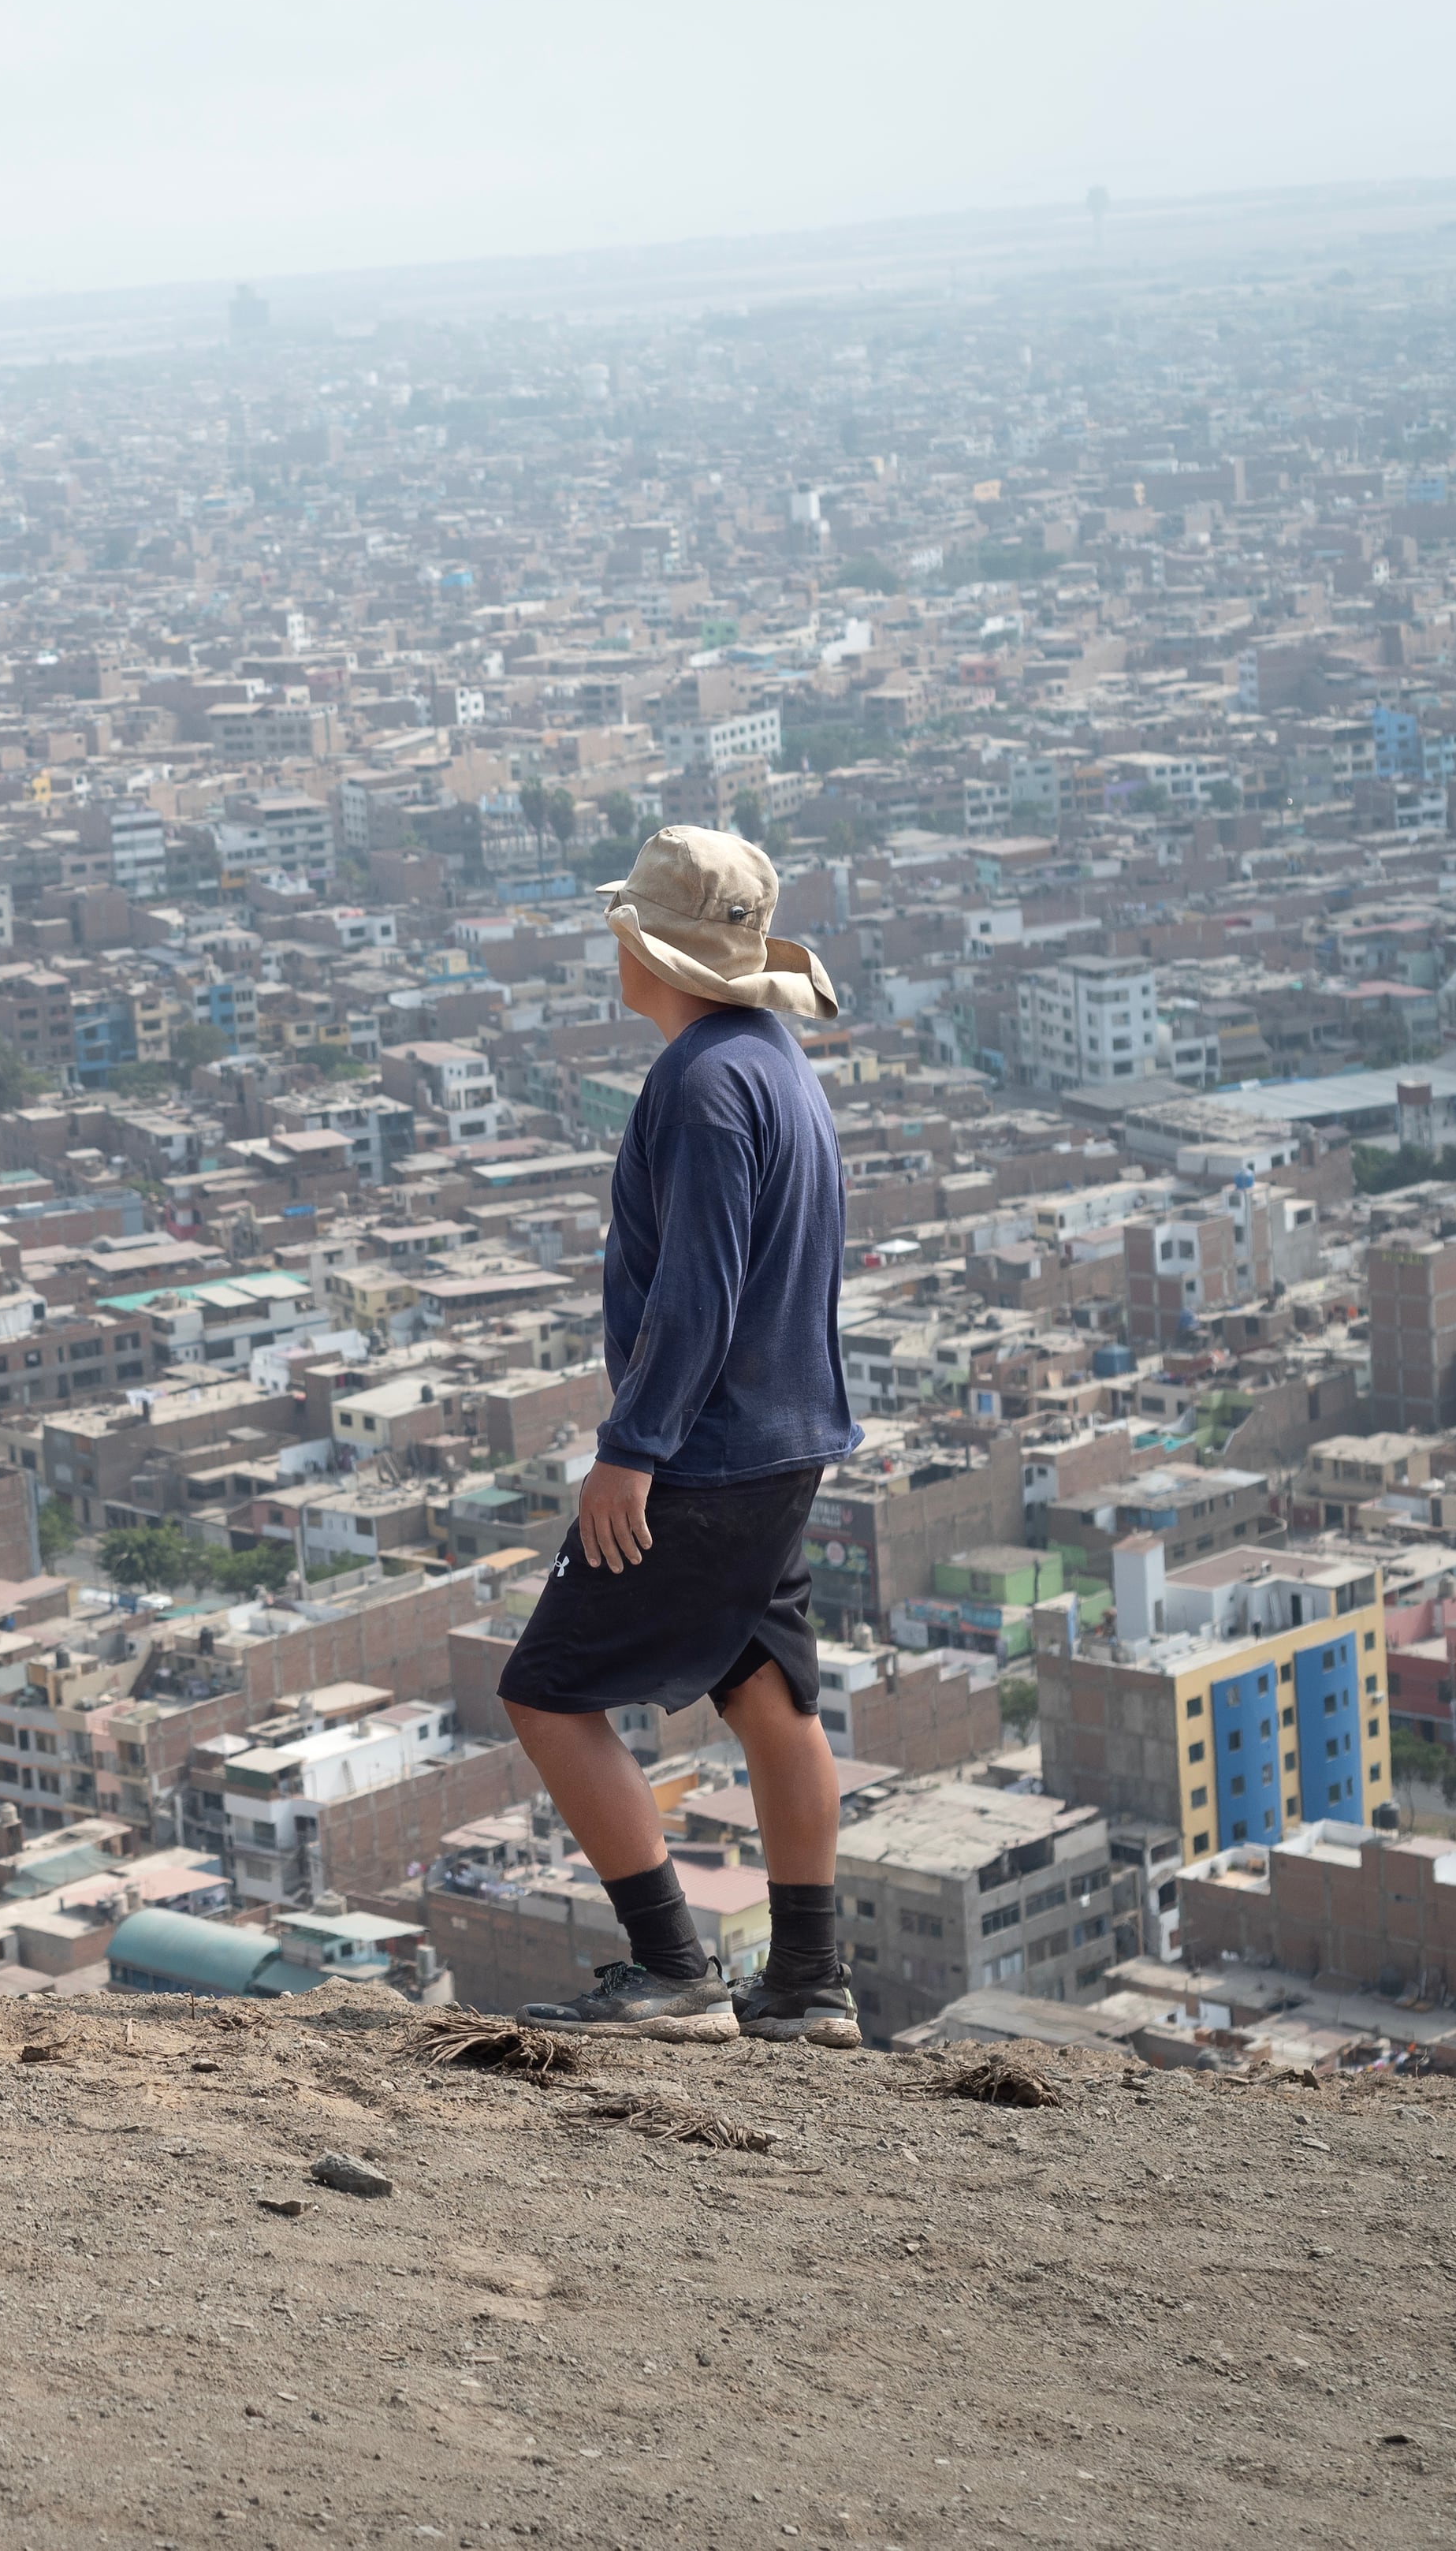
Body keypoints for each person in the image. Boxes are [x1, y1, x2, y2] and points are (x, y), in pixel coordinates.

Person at [496, 825, 862, 2045]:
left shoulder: (702, 1086)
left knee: (547, 1690)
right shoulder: (773, 1062)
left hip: (704, 1455)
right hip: (783, 1441)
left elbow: (696, 1294)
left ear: (651, 950)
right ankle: (805, 1982)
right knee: (766, 1690)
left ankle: (672, 1970)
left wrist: (632, 1449)